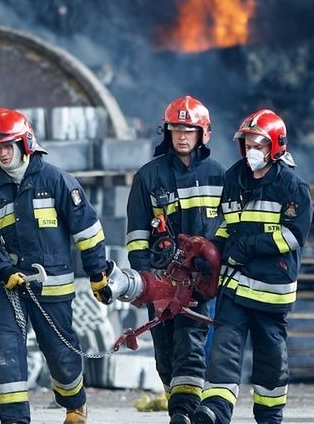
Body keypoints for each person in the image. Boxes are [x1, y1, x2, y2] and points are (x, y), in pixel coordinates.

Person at [0, 107, 112, 424]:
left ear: (25, 143)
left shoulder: (56, 181)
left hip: (53, 288)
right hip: (9, 286)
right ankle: (16, 418)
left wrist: (98, 274)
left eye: (8, 146)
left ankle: (75, 404)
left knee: (61, 357)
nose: (3, 154)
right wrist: (3, 270)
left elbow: (87, 232)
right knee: (5, 350)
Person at [193, 109, 313, 424]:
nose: (251, 151)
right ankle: (215, 412)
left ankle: (269, 416)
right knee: (224, 349)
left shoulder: (292, 187)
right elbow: (224, 225)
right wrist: (211, 252)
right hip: (234, 284)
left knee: (270, 359)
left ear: (275, 146)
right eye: (247, 144)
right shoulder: (233, 179)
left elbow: (293, 236)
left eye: (258, 144)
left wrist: (248, 247)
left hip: (271, 289)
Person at [125, 96, 226, 424]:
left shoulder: (218, 176)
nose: (182, 136)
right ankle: (181, 404)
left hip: (198, 281)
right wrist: (144, 280)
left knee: (191, 344)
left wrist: (213, 264)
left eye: (189, 130)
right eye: (176, 130)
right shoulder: (148, 176)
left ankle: (182, 413)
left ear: (203, 134)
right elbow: (137, 235)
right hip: (161, 280)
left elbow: (227, 229)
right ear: (166, 133)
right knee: (165, 352)